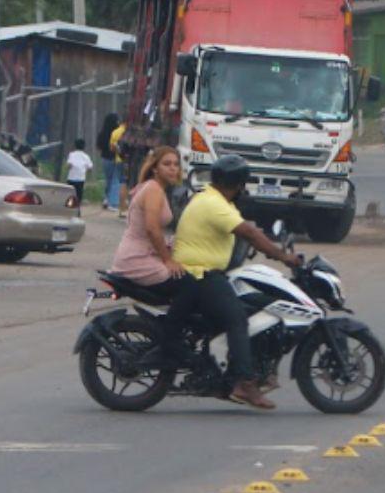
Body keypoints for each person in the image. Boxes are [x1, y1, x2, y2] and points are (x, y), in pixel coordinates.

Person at [173, 155, 301, 411]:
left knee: (243, 308)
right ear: (237, 184)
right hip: (201, 275)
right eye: (243, 183)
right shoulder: (213, 204)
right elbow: (250, 233)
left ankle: (233, 369)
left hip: (203, 273)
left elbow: (245, 228)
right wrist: (283, 257)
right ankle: (244, 384)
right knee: (237, 320)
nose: (244, 189)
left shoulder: (215, 199)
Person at [108, 147, 195, 358]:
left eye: (176, 164)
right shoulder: (154, 189)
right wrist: (168, 260)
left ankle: (174, 329)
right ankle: (171, 340)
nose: (173, 169)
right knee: (191, 286)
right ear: (155, 168)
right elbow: (151, 229)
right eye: (167, 164)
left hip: (137, 254)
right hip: (137, 260)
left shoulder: (152, 187)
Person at [96, 113, 121, 210]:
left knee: (108, 180)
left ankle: (106, 199)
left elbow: (98, 147)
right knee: (115, 180)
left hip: (105, 158)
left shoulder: (102, 133)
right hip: (116, 158)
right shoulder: (117, 133)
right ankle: (113, 202)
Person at [65, 138, 93, 204]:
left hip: (71, 178)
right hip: (80, 179)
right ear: (84, 146)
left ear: (75, 146)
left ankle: (70, 206)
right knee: (78, 195)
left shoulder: (71, 154)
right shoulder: (86, 156)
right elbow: (90, 167)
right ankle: (77, 209)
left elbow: (69, 165)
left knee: (70, 195)